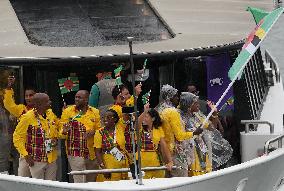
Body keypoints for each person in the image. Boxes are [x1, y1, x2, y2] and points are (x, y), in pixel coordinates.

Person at [13, 93, 59, 180]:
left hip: (51, 157)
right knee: (37, 186)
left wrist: (56, 137)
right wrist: (26, 155)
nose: (50, 102)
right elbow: (17, 137)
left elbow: (57, 127)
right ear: (40, 104)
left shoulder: (50, 114)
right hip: (35, 159)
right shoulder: (27, 117)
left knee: (50, 186)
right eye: (47, 101)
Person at [60, 90, 101, 183]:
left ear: (86, 100)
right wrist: (64, 131)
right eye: (76, 97)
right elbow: (60, 132)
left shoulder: (95, 111)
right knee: (80, 182)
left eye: (79, 97)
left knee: (91, 183)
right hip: (75, 152)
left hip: (91, 152)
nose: (76, 99)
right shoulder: (68, 112)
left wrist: (93, 132)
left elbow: (100, 130)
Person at [3, 75, 36, 177]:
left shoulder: (44, 111)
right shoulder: (22, 109)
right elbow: (8, 104)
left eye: (31, 95)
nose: (28, 98)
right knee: (22, 179)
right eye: (26, 96)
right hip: (24, 151)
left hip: (40, 151)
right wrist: (8, 88)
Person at [180, 92, 213, 176]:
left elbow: (211, 128)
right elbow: (180, 135)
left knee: (205, 171)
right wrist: (194, 133)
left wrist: (214, 114)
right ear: (189, 104)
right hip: (189, 151)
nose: (198, 105)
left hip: (201, 148)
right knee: (195, 173)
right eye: (195, 103)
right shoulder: (180, 117)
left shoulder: (197, 116)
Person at [137, 104, 173, 178]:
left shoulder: (158, 129)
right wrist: (144, 112)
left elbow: (164, 146)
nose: (144, 119)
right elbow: (136, 125)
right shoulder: (141, 129)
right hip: (142, 162)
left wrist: (170, 161)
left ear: (153, 119)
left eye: (146, 117)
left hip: (155, 161)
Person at [94, 109, 127, 181]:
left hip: (122, 163)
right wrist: (103, 168)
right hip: (108, 164)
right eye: (104, 117)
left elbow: (126, 115)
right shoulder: (99, 132)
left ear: (115, 119)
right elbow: (97, 152)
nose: (105, 119)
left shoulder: (120, 128)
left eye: (108, 117)